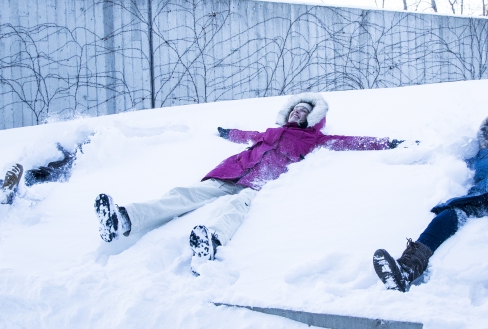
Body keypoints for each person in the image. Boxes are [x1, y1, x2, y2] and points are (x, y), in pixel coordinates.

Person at [94, 92, 403, 266]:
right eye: (294, 108)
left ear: (312, 117)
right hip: (233, 171)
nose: (297, 112)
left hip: (261, 182)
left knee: (237, 208)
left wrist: (387, 142)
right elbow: (249, 135)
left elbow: (351, 141)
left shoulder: (314, 140)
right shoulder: (270, 132)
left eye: (303, 110)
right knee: (184, 193)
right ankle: (123, 219)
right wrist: (229, 133)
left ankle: (211, 241)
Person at [373, 109, 488, 290]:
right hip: (475, 197)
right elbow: (448, 160)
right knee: (448, 215)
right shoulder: (480, 155)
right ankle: (406, 270)